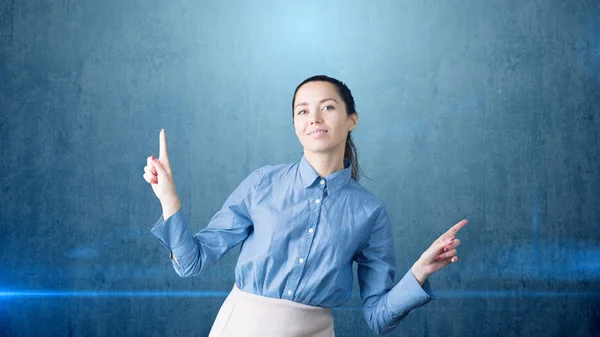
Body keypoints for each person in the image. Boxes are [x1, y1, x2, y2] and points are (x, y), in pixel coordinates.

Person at [142, 75, 467, 336]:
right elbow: (191, 263)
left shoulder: (370, 212)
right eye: (302, 110)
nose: (313, 118)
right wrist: (169, 198)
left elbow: (378, 317)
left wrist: (420, 272)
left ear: (351, 119)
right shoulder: (262, 184)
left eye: (327, 107)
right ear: (295, 125)